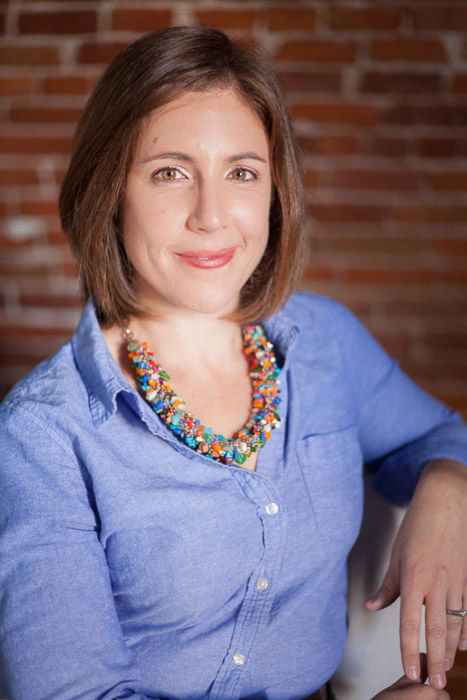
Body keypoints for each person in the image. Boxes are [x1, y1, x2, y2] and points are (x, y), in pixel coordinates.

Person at [0, 26, 466, 700]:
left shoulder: (323, 341)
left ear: (275, 191)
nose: (211, 216)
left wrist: (447, 483)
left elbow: (439, 432)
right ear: (110, 191)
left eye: (241, 172)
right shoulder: (41, 437)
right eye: (169, 172)